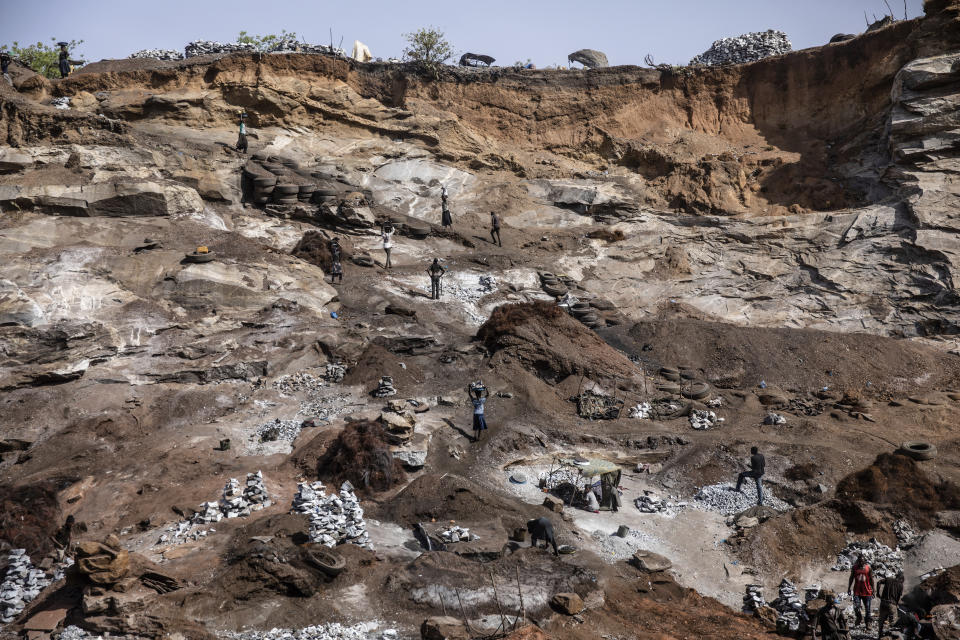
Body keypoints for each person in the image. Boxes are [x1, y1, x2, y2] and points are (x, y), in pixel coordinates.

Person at [849, 554, 876, 628]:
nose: (861, 563)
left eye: (862, 561)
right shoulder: (854, 568)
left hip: (867, 591)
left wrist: (873, 590)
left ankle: (868, 623)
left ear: (864, 561)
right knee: (856, 606)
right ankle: (859, 617)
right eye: (859, 561)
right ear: (858, 561)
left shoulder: (868, 568)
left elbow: (871, 580)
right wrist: (849, 588)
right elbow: (851, 578)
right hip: (857, 591)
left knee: (867, 608)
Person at [877, 571, 904, 639]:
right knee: (893, 622)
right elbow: (898, 597)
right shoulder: (900, 585)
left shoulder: (889, 579)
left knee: (881, 620)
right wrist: (896, 604)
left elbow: (878, 582)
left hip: (883, 603)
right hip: (892, 604)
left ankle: (880, 635)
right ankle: (892, 637)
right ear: (901, 579)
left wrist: (878, 593)